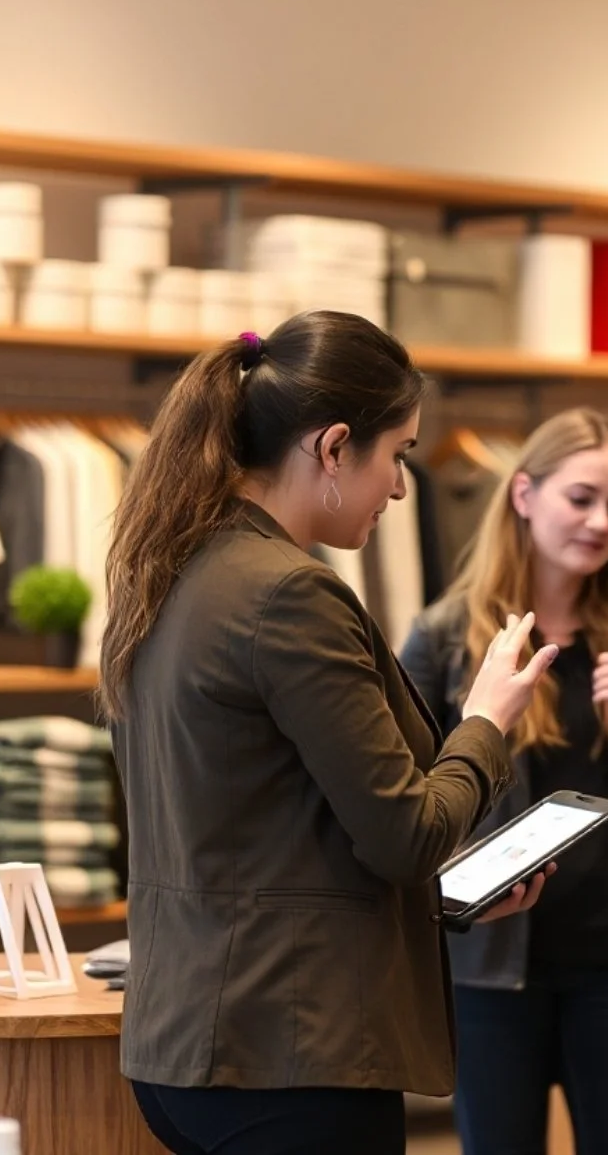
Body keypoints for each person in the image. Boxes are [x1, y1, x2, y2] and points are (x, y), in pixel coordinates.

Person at [99, 312, 559, 1155]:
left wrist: (449, 903)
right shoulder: (285, 594)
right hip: (287, 1053)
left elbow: (260, 830)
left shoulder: (169, 574)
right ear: (334, 446)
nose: (398, 487)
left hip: (189, 1044)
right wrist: (487, 722)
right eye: (399, 455)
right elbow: (406, 835)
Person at [400, 408, 608, 1155]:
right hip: (489, 973)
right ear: (522, 495)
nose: (601, 522)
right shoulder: (445, 639)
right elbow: (406, 809)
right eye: (581, 498)